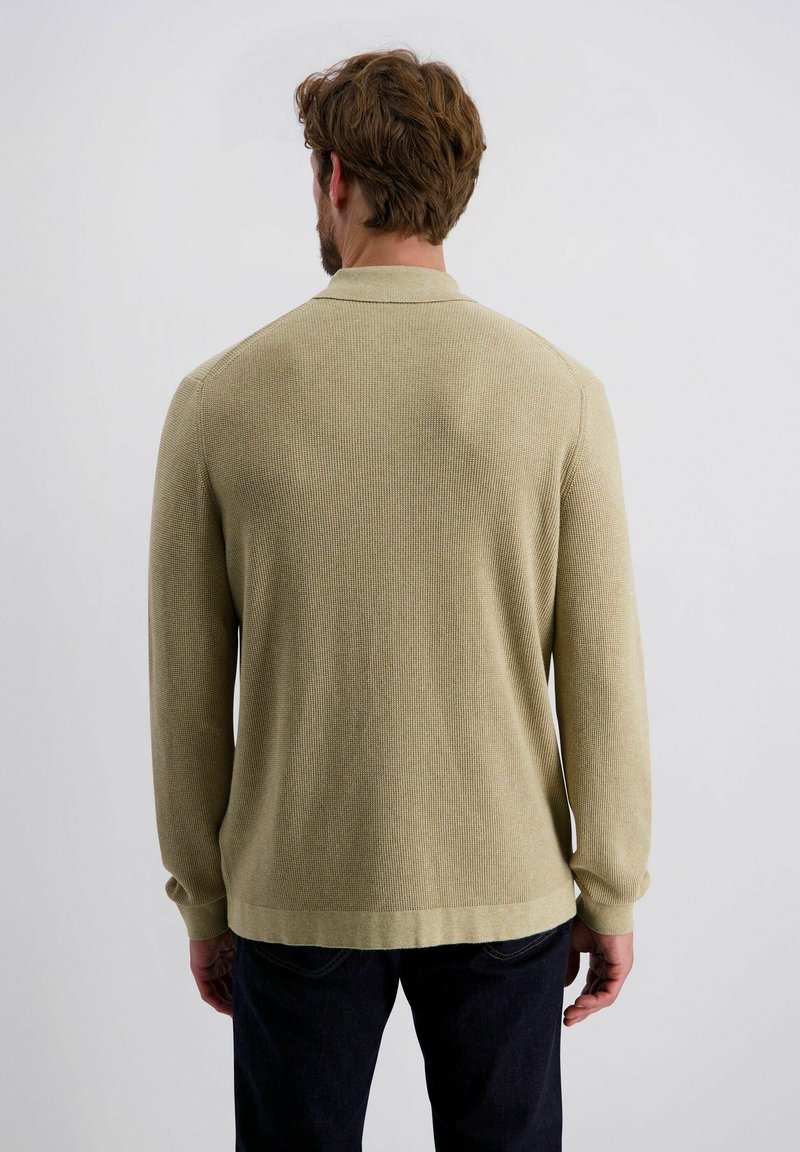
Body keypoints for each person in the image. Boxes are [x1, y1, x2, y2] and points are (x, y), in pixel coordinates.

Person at [147, 46, 652, 1151]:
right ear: (454, 187)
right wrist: (610, 888)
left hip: (296, 889)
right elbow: (603, 672)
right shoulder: (560, 395)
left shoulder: (217, 400)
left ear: (334, 177)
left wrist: (204, 898)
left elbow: (186, 690)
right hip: (505, 887)